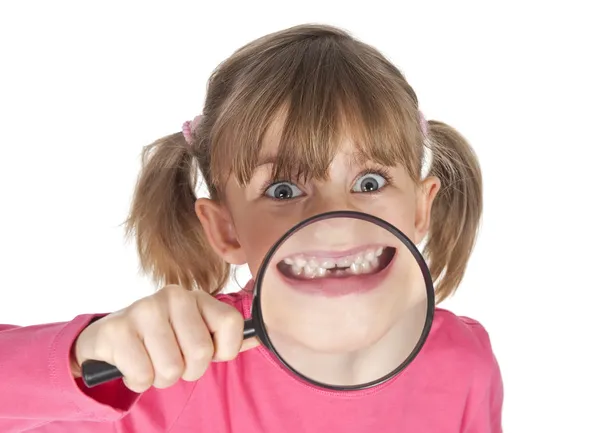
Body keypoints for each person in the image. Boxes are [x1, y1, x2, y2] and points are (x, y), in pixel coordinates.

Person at [0, 24, 503, 432]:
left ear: (420, 210)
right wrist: (78, 356)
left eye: (370, 181)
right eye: (283, 190)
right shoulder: (165, 367)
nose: (330, 223)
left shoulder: (465, 362)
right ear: (227, 231)